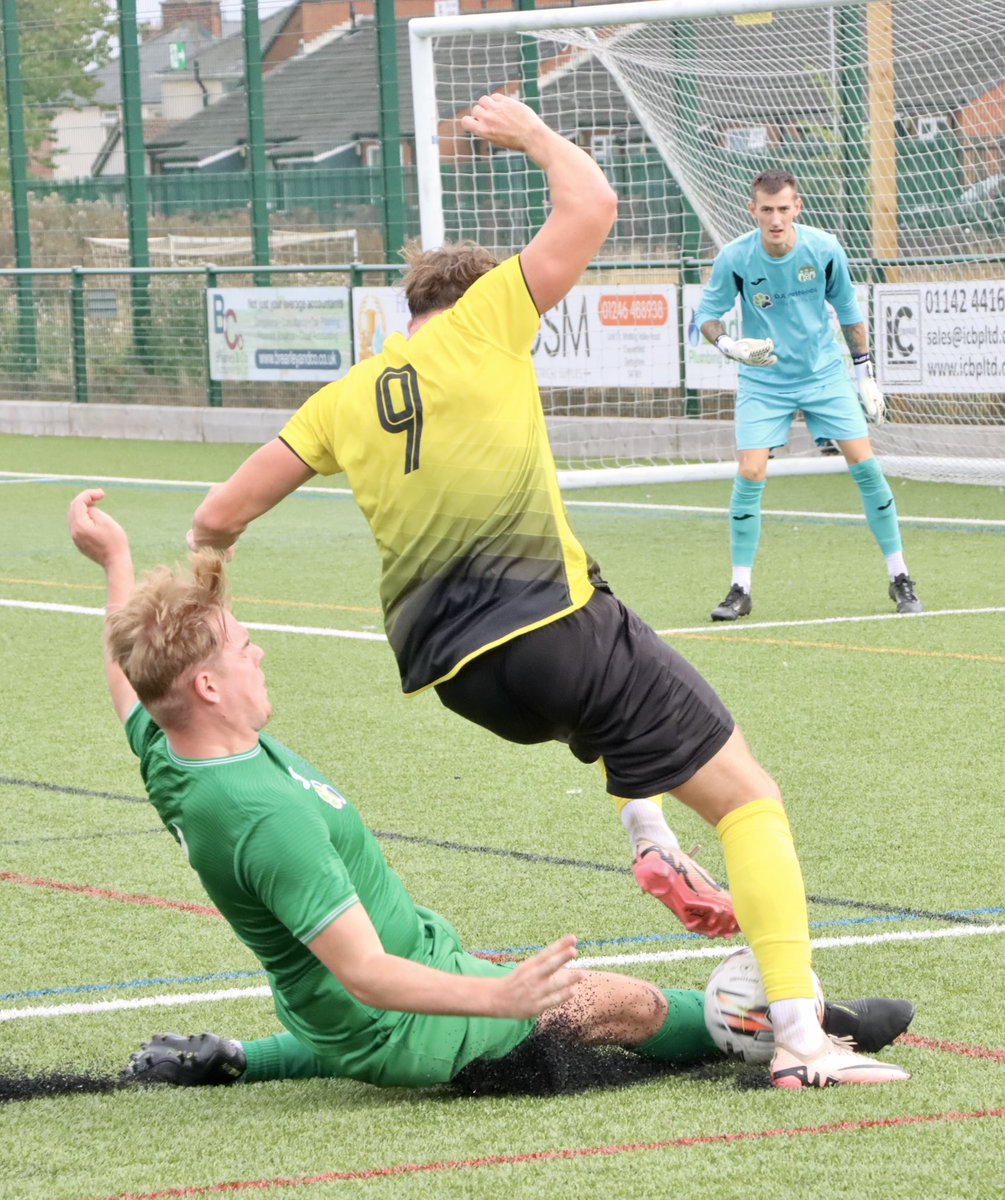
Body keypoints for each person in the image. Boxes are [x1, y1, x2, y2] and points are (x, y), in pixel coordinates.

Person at [183, 94, 910, 1087]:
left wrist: (204, 602)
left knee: (611, 664)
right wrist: (528, 133)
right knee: (751, 804)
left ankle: (647, 824)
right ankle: (797, 1041)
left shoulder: (347, 395)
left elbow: (218, 516)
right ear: (488, 299)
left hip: (460, 679)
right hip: (546, 627)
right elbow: (592, 204)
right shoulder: (490, 320)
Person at [67, 490, 914, 1094]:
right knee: (618, 1002)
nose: (258, 653)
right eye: (241, 649)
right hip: (405, 1022)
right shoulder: (264, 817)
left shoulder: (172, 746)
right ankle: (775, 1024)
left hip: (358, 1003)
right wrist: (497, 997)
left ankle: (245, 1057)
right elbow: (366, 974)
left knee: (394, 1011)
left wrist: (117, 564)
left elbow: (125, 680)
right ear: (205, 688)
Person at [697, 167, 923, 623]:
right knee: (751, 470)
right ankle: (741, 588)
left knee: (864, 463)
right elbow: (707, 314)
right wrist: (728, 345)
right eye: (767, 210)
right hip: (765, 379)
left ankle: (900, 577)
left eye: (784, 209)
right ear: (753, 211)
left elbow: (848, 312)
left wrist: (866, 376)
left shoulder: (823, 249)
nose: (776, 219)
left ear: (797, 207)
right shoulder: (736, 258)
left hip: (823, 374)